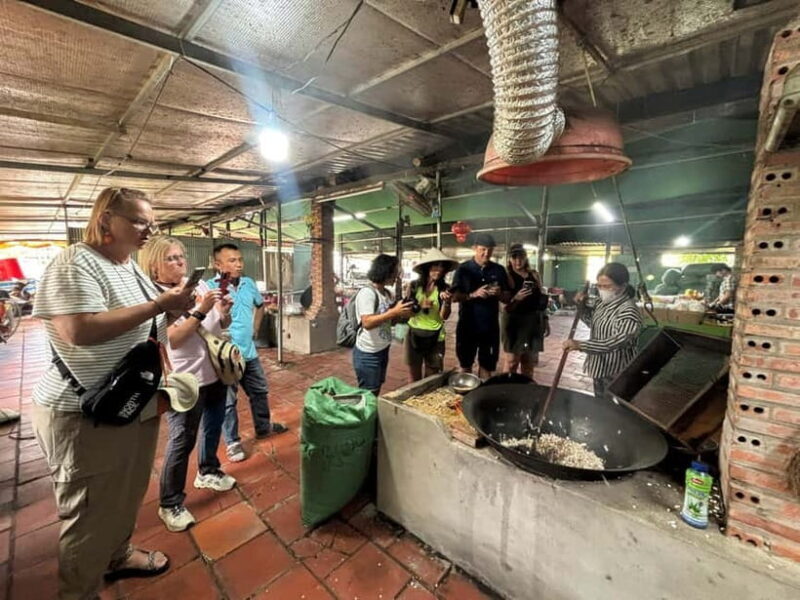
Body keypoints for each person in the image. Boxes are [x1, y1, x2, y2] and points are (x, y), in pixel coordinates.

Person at [30, 187, 196, 599]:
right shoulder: (75, 262)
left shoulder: (128, 267)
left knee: (127, 492)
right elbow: (79, 329)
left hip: (130, 402)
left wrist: (175, 307)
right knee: (88, 512)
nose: (148, 230)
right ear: (106, 220)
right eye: (139, 221)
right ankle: (79, 591)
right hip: (85, 410)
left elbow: (143, 322)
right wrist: (159, 306)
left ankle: (118, 555)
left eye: (151, 222)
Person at [139, 237, 238, 532]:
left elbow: (220, 326)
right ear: (154, 265)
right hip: (183, 379)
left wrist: (223, 312)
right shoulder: (154, 297)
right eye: (171, 258)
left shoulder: (200, 287)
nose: (180, 262)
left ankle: (208, 470)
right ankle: (170, 502)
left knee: (212, 426)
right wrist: (201, 311)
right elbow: (173, 339)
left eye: (181, 256)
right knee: (182, 440)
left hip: (214, 372)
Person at [207, 243, 287, 463]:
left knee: (259, 391)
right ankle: (232, 442)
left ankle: (263, 427)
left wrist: (255, 328)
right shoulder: (208, 288)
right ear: (218, 264)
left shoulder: (249, 283)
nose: (239, 264)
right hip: (225, 357)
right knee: (228, 401)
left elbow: (260, 306)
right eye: (232, 260)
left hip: (249, 353)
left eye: (240, 260)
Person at [563, 262, 643, 401]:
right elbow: (594, 324)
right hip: (599, 366)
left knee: (615, 409)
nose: (602, 290)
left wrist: (581, 345)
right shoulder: (602, 303)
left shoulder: (629, 311)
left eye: (607, 286)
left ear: (623, 286)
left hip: (617, 370)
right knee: (600, 404)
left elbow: (614, 342)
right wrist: (581, 307)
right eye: (599, 286)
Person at [451, 233, 511, 379]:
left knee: (487, 367)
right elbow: (454, 297)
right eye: (483, 249)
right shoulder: (463, 269)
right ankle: (464, 397)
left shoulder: (499, 270)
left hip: (489, 327)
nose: (486, 253)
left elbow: (507, 298)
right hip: (467, 326)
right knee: (465, 365)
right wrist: (473, 294)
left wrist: (498, 294)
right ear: (475, 248)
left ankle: (482, 398)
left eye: (490, 250)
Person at [353, 254, 414, 395]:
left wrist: (401, 315)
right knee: (369, 393)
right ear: (385, 271)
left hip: (382, 349)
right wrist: (394, 312)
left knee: (376, 387)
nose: (396, 276)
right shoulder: (367, 293)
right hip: (368, 353)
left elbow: (388, 322)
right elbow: (367, 322)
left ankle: (370, 415)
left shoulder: (386, 293)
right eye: (394, 273)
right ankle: (365, 416)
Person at [404, 248, 458, 383]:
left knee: (432, 377)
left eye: (442, 267)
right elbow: (405, 311)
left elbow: (443, 317)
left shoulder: (445, 288)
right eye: (435, 266)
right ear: (426, 267)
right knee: (413, 377)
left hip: (436, 337)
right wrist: (419, 305)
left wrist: (446, 303)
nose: (439, 270)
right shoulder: (414, 286)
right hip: (414, 334)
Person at [502, 244, 550, 379]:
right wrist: (516, 298)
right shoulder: (506, 276)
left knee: (528, 362)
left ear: (526, 258)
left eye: (521, 257)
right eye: (514, 257)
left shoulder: (534, 275)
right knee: (511, 361)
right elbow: (502, 304)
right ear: (509, 259)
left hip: (533, 321)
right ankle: (505, 389)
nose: (518, 261)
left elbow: (541, 300)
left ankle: (525, 390)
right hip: (514, 322)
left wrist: (545, 320)